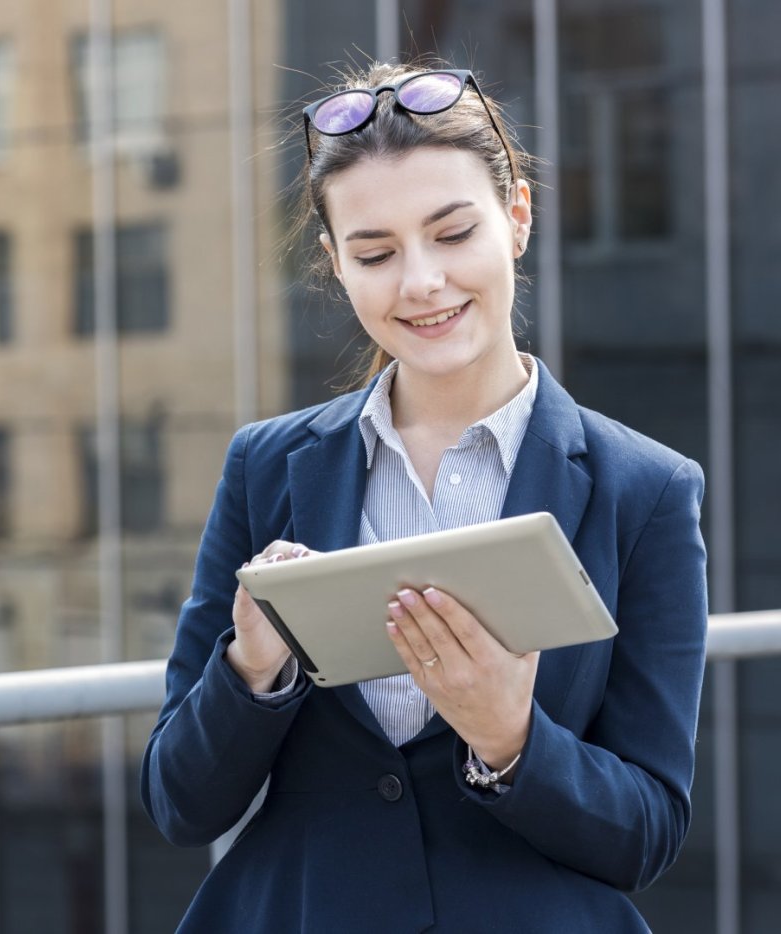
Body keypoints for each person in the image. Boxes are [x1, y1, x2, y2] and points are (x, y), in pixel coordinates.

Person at [139, 60, 708, 933]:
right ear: (335, 264)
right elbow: (181, 803)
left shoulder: (646, 491)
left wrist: (511, 739)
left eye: (452, 234)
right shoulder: (268, 466)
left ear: (516, 218)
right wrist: (252, 671)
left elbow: (647, 833)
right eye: (375, 253)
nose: (421, 284)